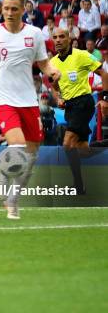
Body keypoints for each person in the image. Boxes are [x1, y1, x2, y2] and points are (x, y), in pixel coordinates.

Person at [0, 0, 61, 220]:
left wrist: (52, 71)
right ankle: (2, 176)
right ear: (1, 9)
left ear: (23, 9)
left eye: (14, 9)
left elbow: (43, 63)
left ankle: (13, 200)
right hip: (2, 99)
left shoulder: (34, 34)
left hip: (28, 100)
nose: (9, 13)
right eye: (6, 8)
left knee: (31, 159)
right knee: (18, 146)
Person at [50, 28, 108, 194]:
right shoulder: (52, 62)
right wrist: (58, 98)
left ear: (69, 38)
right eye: (55, 37)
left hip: (83, 103)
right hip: (69, 107)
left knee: (67, 144)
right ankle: (106, 142)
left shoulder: (81, 55)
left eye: (62, 36)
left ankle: (77, 186)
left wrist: (104, 99)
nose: (58, 40)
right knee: (83, 151)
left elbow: (103, 73)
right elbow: (53, 85)